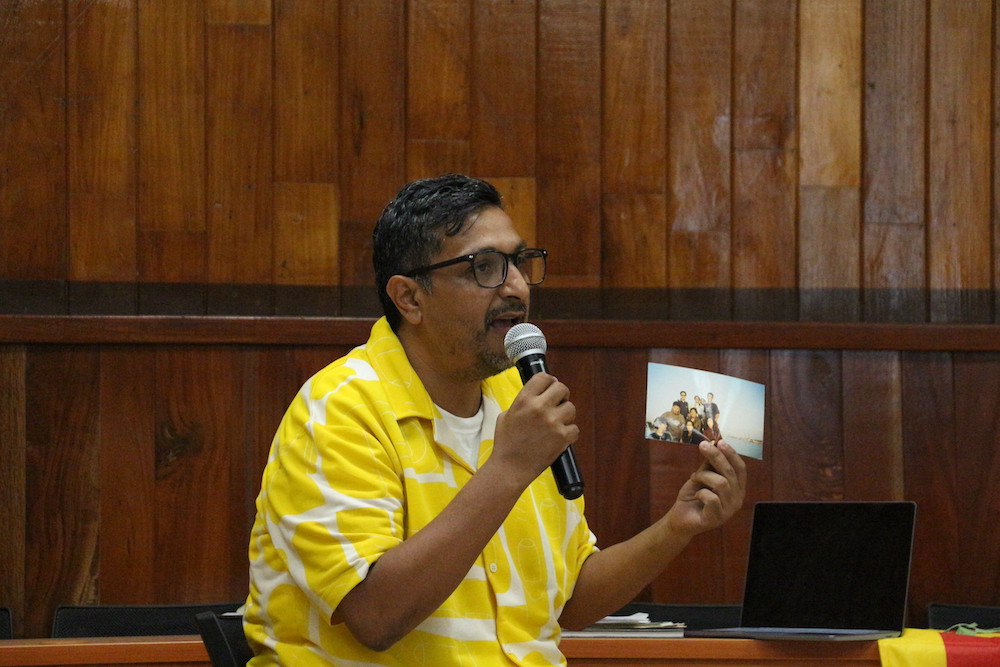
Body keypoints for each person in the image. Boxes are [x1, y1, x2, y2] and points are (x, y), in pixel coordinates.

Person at [243, 174, 746, 666]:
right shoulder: (339, 409)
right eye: (484, 267)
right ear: (410, 298)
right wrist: (508, 468)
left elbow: (569, 602)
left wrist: (676, 528)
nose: (517, 287)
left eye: (520, 263)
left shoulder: (517, 401)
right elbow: (376, 616)